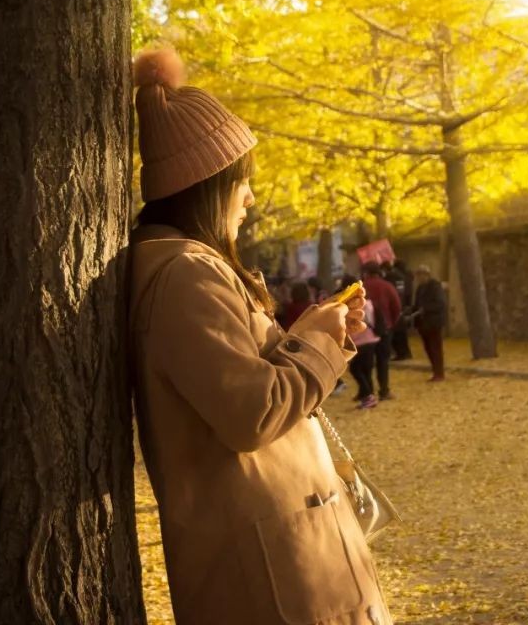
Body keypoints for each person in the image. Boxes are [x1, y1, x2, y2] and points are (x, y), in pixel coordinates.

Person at [127, 46, 392, 625]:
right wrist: (318, 343)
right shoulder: (184, 276)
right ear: (207, 186)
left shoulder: (191, 268)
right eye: (240, 182)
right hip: (274, 572)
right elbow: (252, 410)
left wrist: (314, 332)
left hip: (288, 553)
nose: (249, 197)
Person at [361, 261, 401, 401]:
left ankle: (367, 392)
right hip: (384, 329)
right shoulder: (387, 286)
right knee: (383, 361)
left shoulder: (361, 288)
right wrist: (391, 323)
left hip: (364, 331)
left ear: (365, 273)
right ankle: (384, 390)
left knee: (366, 363)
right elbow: (396, 306)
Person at [344, 274, 381, 409]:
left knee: (355, 369)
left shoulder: (350, 305)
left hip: (360, 340)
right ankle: (367, 394)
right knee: (366, 369)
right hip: (370, 338)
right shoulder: (368, 302)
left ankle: (368, 396)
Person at [411, 264, 447, 381]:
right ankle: (435, 370)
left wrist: (425, 308)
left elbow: (440, 304)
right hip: (423, 324)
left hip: (434, 322)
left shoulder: (435, 287)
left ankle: (439, 372)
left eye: (422, 275)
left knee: (435, 348)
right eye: (418, 275)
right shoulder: (420, 288)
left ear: (427, 275)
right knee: (428, 348)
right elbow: (417, 304)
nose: (420, 278)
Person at [386, 260, 413, 360]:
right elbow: (404, 292)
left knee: (396, 332)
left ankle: (401, 353)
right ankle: (405, 352)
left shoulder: (392, 276)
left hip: (395, 307)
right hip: (403, 306)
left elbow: (394, 293)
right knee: (402, 332)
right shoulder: (406, 276)